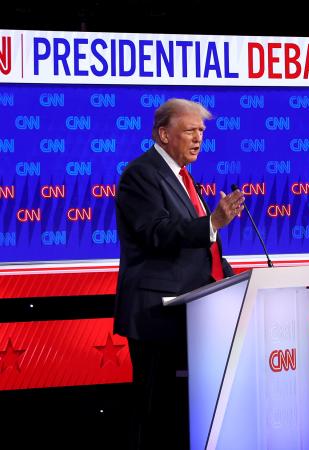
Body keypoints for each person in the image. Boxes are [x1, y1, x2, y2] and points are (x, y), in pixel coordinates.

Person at [113, 98, 245, 449]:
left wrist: (233, 282)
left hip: (191, 315)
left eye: (201, 131)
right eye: (189, 130)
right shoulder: (141, 174)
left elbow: (204, 250)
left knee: (180, 413)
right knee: (153, 411)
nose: (198, 138)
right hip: (157, 314)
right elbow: (157, 233)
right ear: (163, 134)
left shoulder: (185, 178)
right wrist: (213, 222)